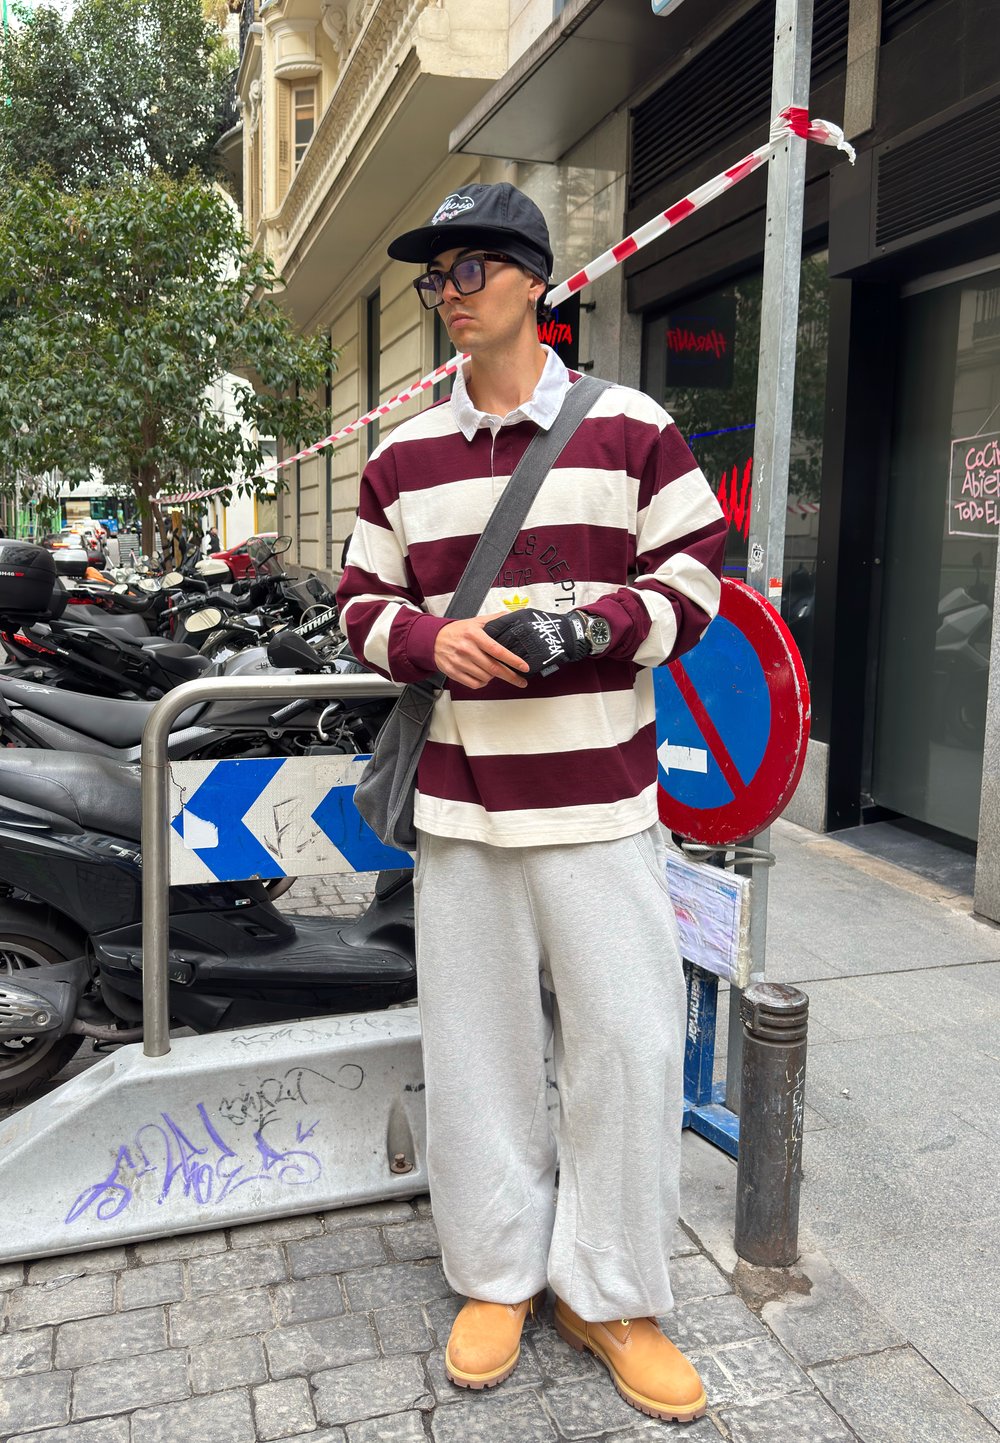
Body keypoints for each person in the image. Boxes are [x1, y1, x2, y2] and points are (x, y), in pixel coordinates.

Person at [336, 183, 727, 1424]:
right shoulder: (399, 455)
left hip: (605, 803)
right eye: (433, 277)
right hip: (459, 809)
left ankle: (609, 1290)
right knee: (477, 1057)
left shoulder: (631, 426)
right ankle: (497, 1274)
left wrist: (594, 623)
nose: (447, 295)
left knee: (629, 1048)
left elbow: (699, 580)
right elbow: (356, 603)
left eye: (466, 270)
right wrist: (421, 644)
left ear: (531, 281)